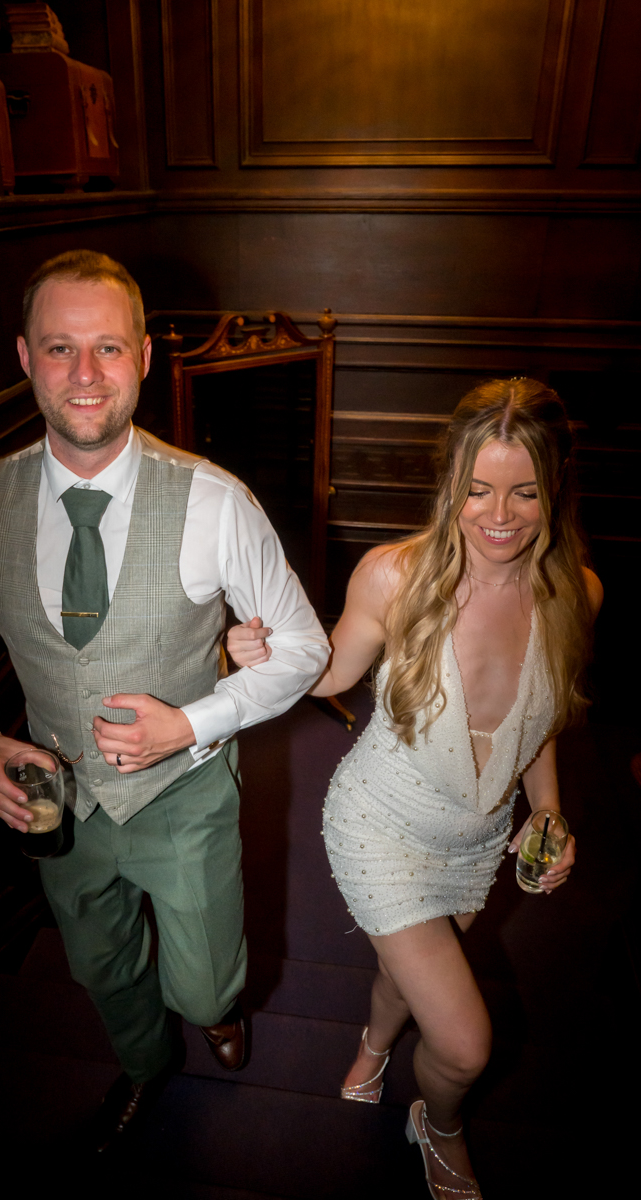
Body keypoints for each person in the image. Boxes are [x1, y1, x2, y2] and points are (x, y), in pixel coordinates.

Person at [0, 249, 329, 1149]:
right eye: (62, 350)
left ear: (143, 356)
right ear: (25, 358)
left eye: (107, 349)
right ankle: (146, 1068)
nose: (86, 375)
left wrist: (191, 720)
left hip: (187, 795)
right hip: (55, 802)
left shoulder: (215, 502)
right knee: (101, 967)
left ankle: (215, 1012)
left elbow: (303, 647)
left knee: (209, 982)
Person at [227, 378, 602, 1199]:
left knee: (411, 970)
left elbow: (535, 724)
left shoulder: (578, 590)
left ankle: (370, 1043)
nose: (497, 514)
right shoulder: (394, 577)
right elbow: (326, 671)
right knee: (466, 1043)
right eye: (476, 490)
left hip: (472, 839)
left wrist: (548, 808)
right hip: (381, 825)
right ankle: (439, 1123)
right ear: (449, 484)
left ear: (557, 485)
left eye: (524, 491)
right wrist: (262, 653)